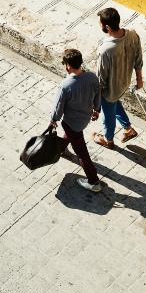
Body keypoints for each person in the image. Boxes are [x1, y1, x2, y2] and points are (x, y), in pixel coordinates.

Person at [49, 48, 103, 192]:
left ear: (68, 65)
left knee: (82, 153)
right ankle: (61, 148)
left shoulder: (65, 86)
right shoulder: (92, 77)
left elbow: (57, 107)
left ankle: (93, 181)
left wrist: (53, 120)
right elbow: (98, 93)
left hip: (71, 122)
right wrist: (97, 109)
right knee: (72, 135)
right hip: (85, 118)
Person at [93, 8, 142, 148]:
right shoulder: (133, 35)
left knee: (107, 114)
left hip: (110, 89)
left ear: (107, 27)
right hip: (124, 82)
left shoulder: (105, 50)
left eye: (100, 23)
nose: (99, 25)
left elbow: (101, 79)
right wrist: (139, 80)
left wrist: (96, 102)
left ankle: (108, 140)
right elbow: (138, 59)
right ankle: (128, 129)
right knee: (114, 103)